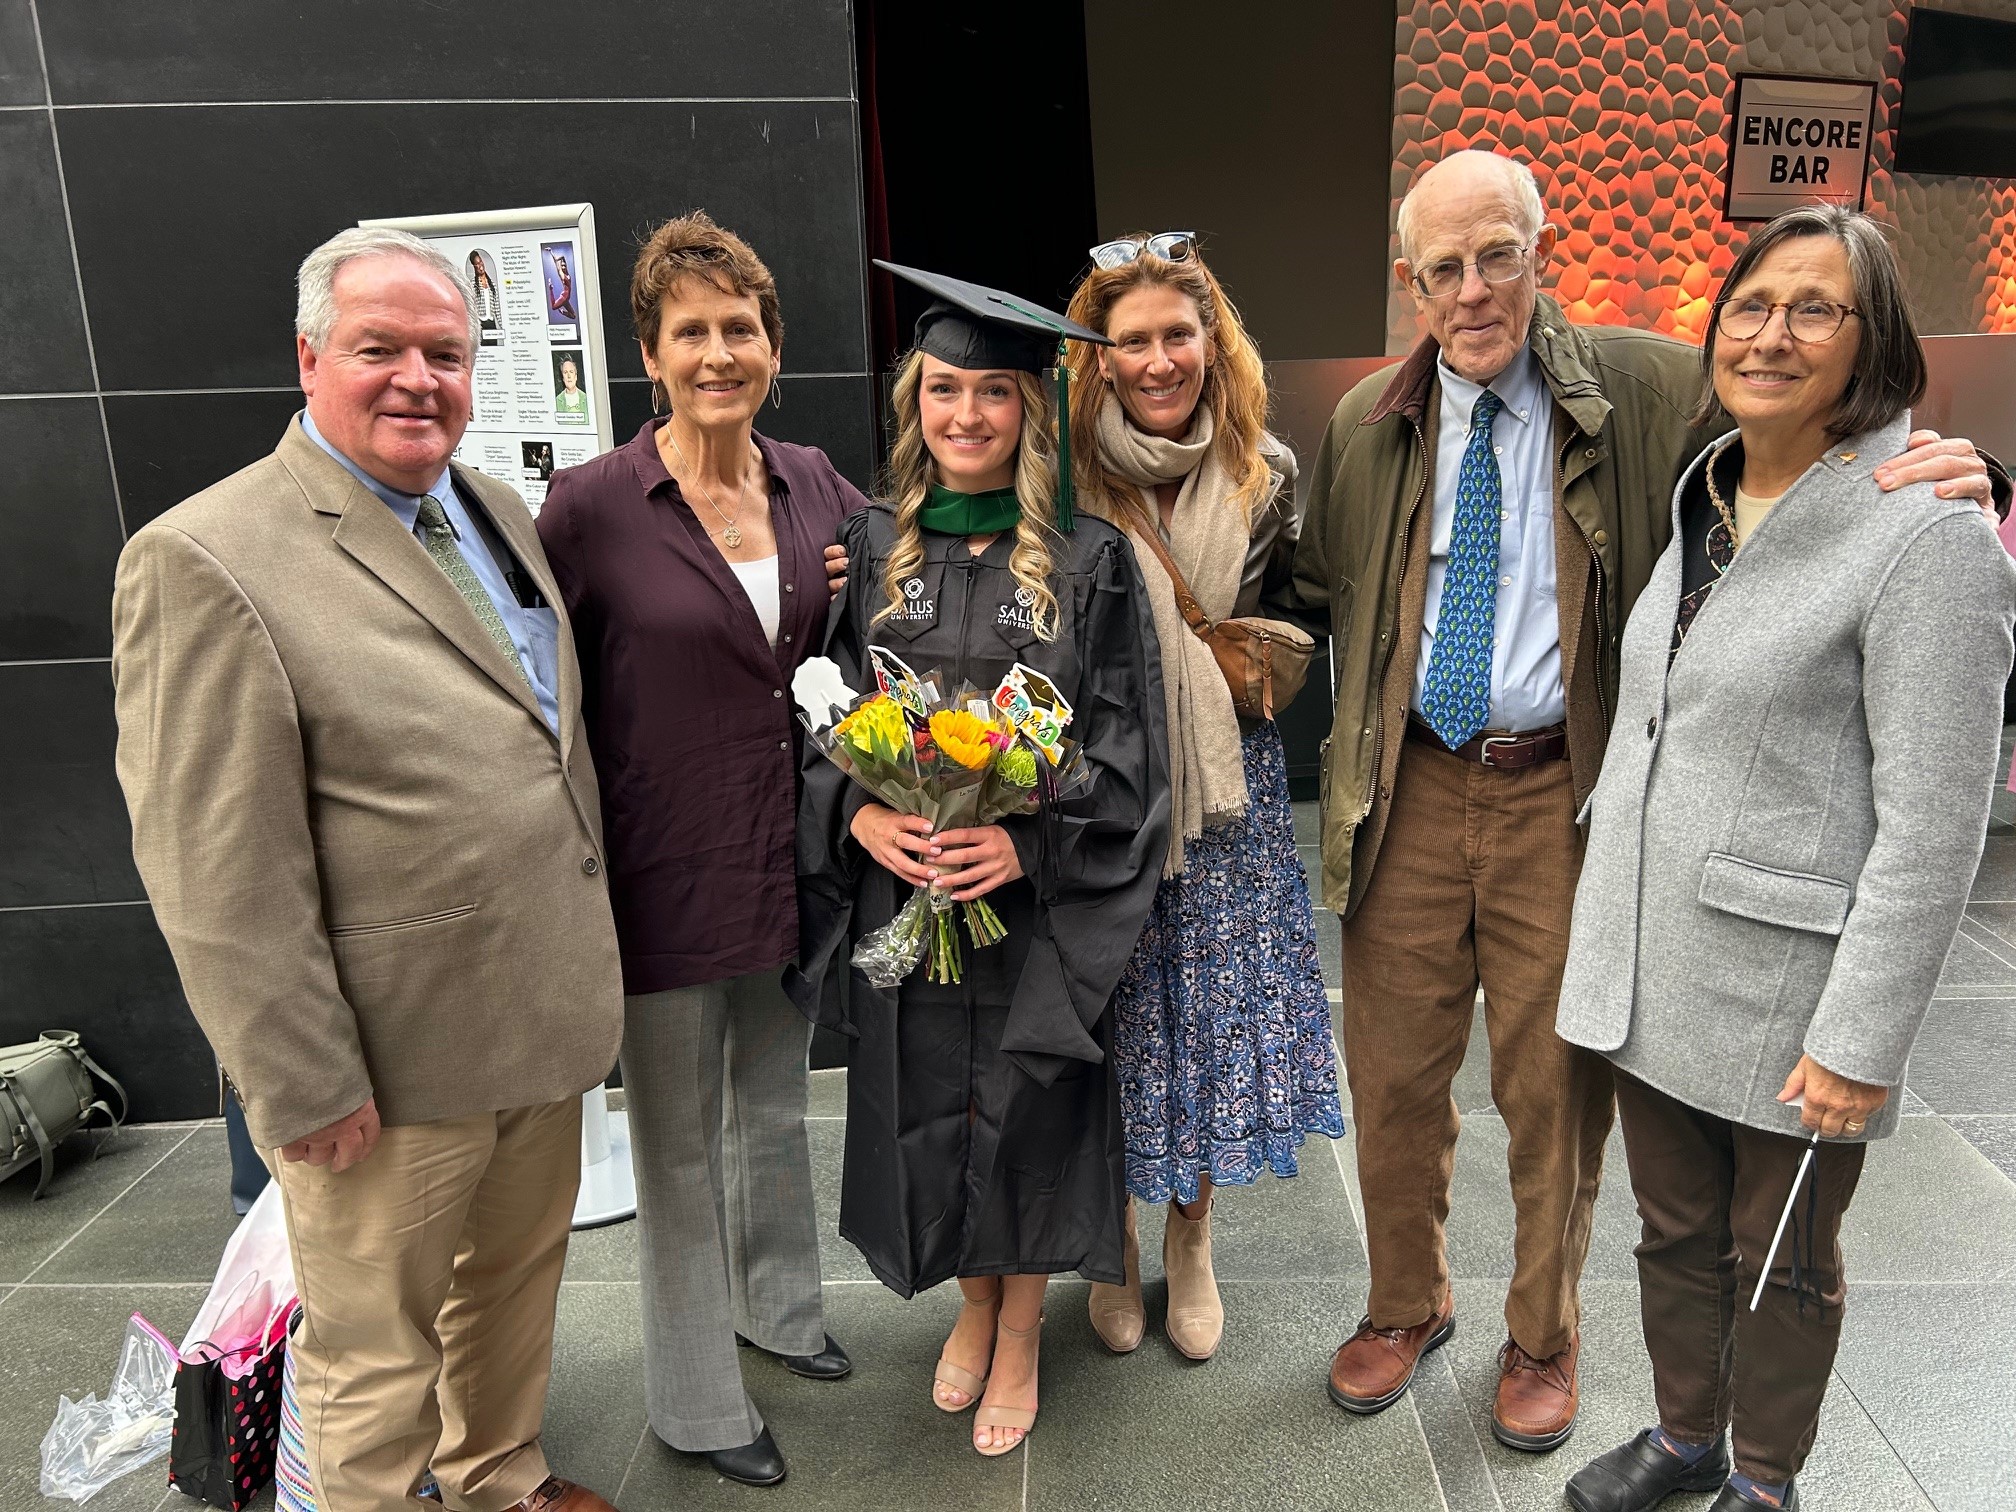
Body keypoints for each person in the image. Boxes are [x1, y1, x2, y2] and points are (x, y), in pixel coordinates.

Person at [1291, 148, 2003, 1452]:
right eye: (1442, 268)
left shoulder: (1648, 382)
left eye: (1496, 254)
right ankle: (1406, 1304)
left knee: (1554, 1091)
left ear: (1537, 250)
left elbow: (1810, 443)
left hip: (1563, 796)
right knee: (1390, 1078)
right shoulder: (1363, 424)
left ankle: (1545, 1334)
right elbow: (1328, 581)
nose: (1472, 289)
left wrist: (1969, 472)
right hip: (1407, 795)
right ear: (1411, 282)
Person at [111, 226, 623, 1512]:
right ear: (308, 357)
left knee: (508, 1293)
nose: (418, 379)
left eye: (444, 353)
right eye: (378, 348)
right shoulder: (208, 556)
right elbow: (216, 868)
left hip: (533, 1016)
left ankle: (500, 1477)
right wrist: (300, 1080)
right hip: (385, 1070)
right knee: (373, 1356)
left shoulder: (493, 507)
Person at [1555, 207, 2016, 1512]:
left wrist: (1861, 1039)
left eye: (1815, 307)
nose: (1770, 332)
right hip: (1654, 967)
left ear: (1874, 346)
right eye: (1751, 303)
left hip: (1794, 994)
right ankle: (1687, 1438)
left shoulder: (1925, 536)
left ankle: (1764, 1482)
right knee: (1675, 1237)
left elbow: (1936, 827)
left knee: (1783, 1262)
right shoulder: (1708, 496)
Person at [790, 262, 1170, 1456]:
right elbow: (812, 713)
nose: (965, 416)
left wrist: (1024, 839)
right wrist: (857, 818)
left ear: (1031, 411)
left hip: (1030, 907)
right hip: (906, 894)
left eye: (993, 394)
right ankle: (968, 1303)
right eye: (943, 390)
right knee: (925, 1108)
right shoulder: (868, 548)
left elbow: (1123, 745)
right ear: (915, 402)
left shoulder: (1089, 560)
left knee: (1027, 1110)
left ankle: (1017, 1332)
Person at [536, 211, 863, 1491]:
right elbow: (541, 681)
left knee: (772, 1106)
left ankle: (778, 1312)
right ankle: (693, 1400)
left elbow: (878, 603)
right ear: (651, 352)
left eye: (740, 328)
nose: (718, 352)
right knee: (673, 1141)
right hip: (660, 872)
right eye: (692, 332)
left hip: (791, 862)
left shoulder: (815, 482)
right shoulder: (592, 509)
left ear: (771, 344)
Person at [1063, 234, 1343, 1361]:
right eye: (1131, 339)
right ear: (1100, 356)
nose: (1157, 358)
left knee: (1208, 1015)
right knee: (1115, 1012)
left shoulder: (1262, 471)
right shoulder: (1065, 470)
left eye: (1177, 333)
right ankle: (1115, 1244)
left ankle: (1192, 1242)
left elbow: (1304, 601)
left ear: (1210, 342)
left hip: (1228, 785)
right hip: (1103, 779)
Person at [469, 251, 502, 344]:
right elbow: (472, 308)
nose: (480, 266)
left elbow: (497, 308)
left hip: (491, 323)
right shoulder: (473, 285)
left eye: (480, 262)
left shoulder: (492, 285)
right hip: (480, 323)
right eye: (476, 265)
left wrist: (503, 326)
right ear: (474, 267)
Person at [555, 355, 588, 419]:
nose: (569, 376)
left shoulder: (586, 398)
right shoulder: (557, 401)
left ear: (576, 376)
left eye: (571, 372)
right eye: (565, 372)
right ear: (562, 378)